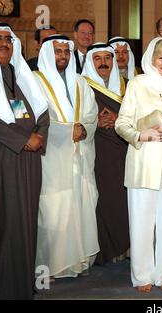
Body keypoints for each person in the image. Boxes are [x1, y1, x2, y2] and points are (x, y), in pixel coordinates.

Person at [0, 21, 49, 299]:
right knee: (0, 224)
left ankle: (19, 285)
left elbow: (42, 111)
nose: (4, 43)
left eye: (8, 38)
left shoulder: (22, 77)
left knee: (25, 223)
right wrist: (23, 141)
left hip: (29, 165)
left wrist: (40, 135)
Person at [115, 37, 162, 293]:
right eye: (161, 57)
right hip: (143, 162)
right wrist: (140, 135)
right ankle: (142, 275)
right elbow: (121, 123)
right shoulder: (137, 84)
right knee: (141, 223)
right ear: (151, 58)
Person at [34, 34, 100, 278]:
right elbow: (36, 118)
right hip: (52, 159)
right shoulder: (34, 80)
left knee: (81, 206)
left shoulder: (81, 82)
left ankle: (78, 263)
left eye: (65, 52)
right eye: (57, 51)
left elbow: (91, 114)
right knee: (55, 209)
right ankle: (51, 266)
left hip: (81, 155)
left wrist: (83, 128)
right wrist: (65, 131)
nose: (62, 56)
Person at [82, 42, 130, 265]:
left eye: (107, 58)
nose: (103, 63)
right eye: (97, 59)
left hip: (127, 151)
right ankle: (107, 250)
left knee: (124, 199)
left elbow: (140, 117)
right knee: (106, 200)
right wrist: (96, 121)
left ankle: (125, 245)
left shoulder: (128, 86)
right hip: (99, 153)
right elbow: (76, 119)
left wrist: (118, 119)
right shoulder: (82, 87)